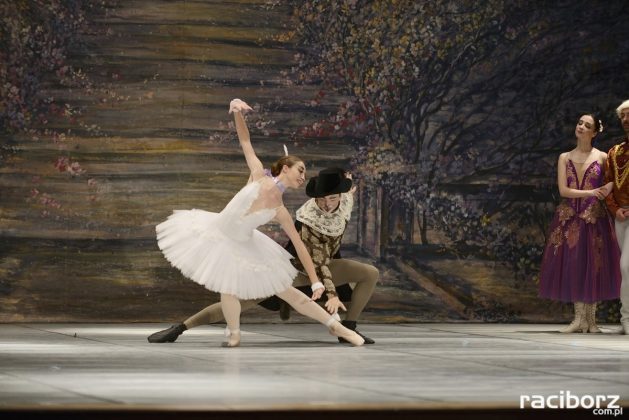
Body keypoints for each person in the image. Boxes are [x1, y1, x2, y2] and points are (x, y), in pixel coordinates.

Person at [155, 98, 363, 347]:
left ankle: (337, 327)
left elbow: (300, 246)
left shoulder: (280, 210)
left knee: (287, 291)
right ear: (285, 168)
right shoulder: (257, 174)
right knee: (228, 286)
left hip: (247, 245)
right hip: (219, 234)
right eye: (300, 170)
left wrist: (316, 280)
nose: (303, 177)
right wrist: (236, 111)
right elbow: (245, 141)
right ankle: (234, 334)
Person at [148, 168, 379, 344]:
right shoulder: (309, 219)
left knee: (369, 273)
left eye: (333, 198)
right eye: (322, 200)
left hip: (327, 264)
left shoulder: (343, 201)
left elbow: (345, 199)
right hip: (298, 270)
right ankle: (181, 328)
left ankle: (349, 327)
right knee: (236, 303)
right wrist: (331, 293)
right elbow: (315, 261)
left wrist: (347, 188)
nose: (327, 205)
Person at [539, 113, 621, 333]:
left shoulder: (603, 157)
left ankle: (591, 321)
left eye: (587, 125)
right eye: (579, 123)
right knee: (574, 264)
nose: (581, 127)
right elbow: (563, 190)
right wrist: (591, 192)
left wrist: (605, 190)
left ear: (594, 132)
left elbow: (613, 181)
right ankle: (578, 320)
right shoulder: (564, 157)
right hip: (570, 217)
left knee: (594, 264)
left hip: (594, 218)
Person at [605, 99, 629, 335]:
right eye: (623, 116)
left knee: (627, 265)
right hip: (621, 216)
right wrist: (615, 209)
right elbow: (608, 184)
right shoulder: (615, 152)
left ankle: (626, 318)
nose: (626, 120)